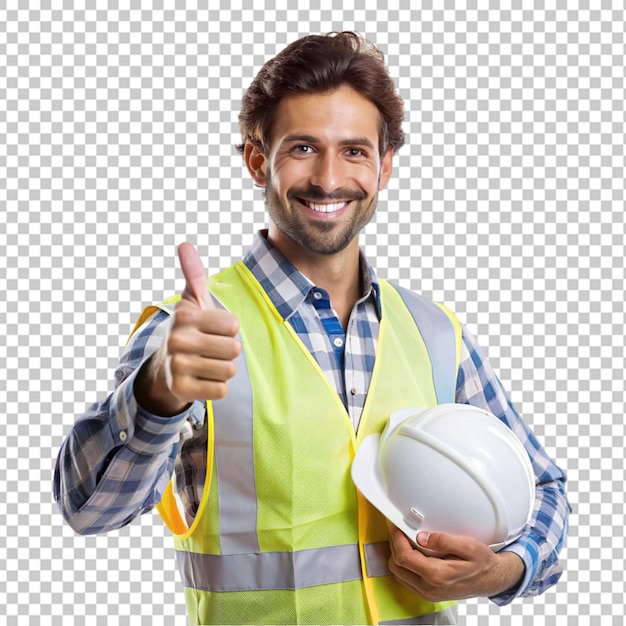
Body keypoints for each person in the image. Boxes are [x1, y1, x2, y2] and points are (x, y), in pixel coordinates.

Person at [54, 32, 569, 625]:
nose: (329, 178)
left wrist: (502, 570)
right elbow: (87, 509)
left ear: (385, 166)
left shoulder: (434, 332)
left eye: (354, 150)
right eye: (302, 148)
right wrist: (157, 394)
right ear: (256, 160)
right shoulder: (191, 331)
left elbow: (543, 493)